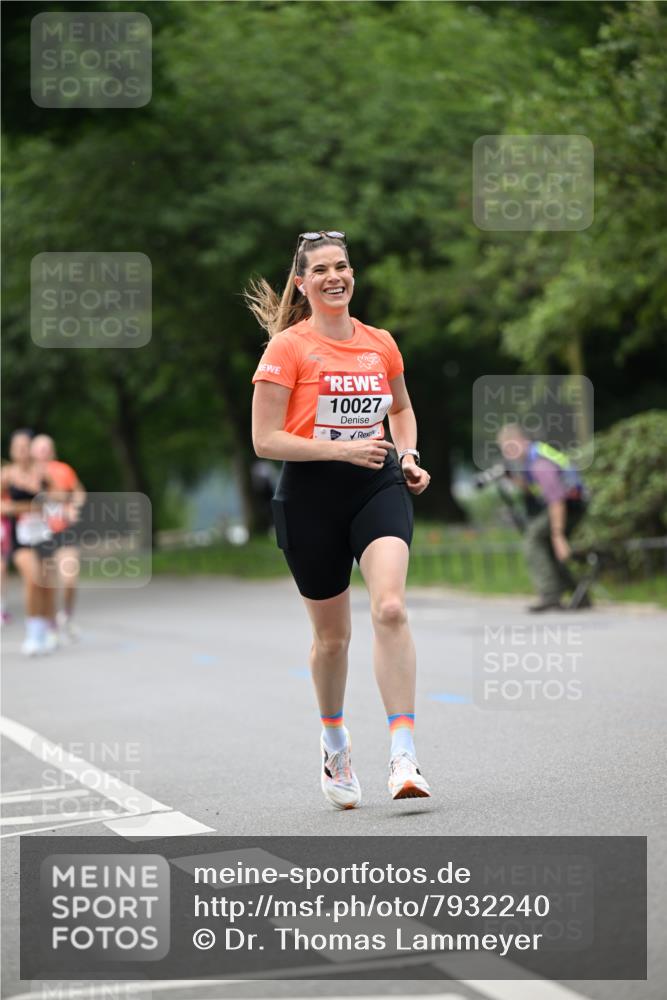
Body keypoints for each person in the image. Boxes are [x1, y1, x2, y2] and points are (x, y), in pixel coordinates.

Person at [248, 230, 432, 809]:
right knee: (332, 640)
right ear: (302, 283)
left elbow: (400, 410)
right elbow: (264, 439)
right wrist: (339, 450)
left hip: (377, 484)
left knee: (391, 607)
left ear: (353, 275)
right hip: (309, 498)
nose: (335, 277)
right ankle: (335, 743)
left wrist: (407, 456)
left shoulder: (380, 343)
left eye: (343, 266)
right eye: (321, 269)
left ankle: (403, 752)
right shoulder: (287, 348)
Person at [497, 423, 589, 612]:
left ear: (522, 441)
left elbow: (557, 500)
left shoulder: (539, 463)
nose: (508, 454)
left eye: (510, 447)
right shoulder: (531, 457)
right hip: (567, 505)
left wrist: (558, 535)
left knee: (533, 539)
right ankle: (579, 595)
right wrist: (513, 479)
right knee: (544, 546)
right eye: (504, 449)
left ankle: (550, 595)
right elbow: (536, 491)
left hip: (570, 507)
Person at [0, 430, 57, 655]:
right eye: (19, 447)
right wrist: (17, 508)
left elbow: (55, 500)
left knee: (44, 583)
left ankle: (45, 627)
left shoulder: (43, 473)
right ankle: (33, 633)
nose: (23, 451)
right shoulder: (6, 475)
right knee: (33, 578)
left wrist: (22, 506)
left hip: (43, 534)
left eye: (27, 446)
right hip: (20, 537)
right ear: (12, 450)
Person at [30, 435, 86, 642]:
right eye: (39, 448)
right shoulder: (27, 475)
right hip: (39, 534)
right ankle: (51, 624)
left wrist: (75, 506)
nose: (44, 451)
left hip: (63, 530)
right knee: (48, 583)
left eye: (47, 448)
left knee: (70, 579)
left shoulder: (63, 470)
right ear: (32, 452)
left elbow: (78, 492)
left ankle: (68, 616)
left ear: (52, 450)